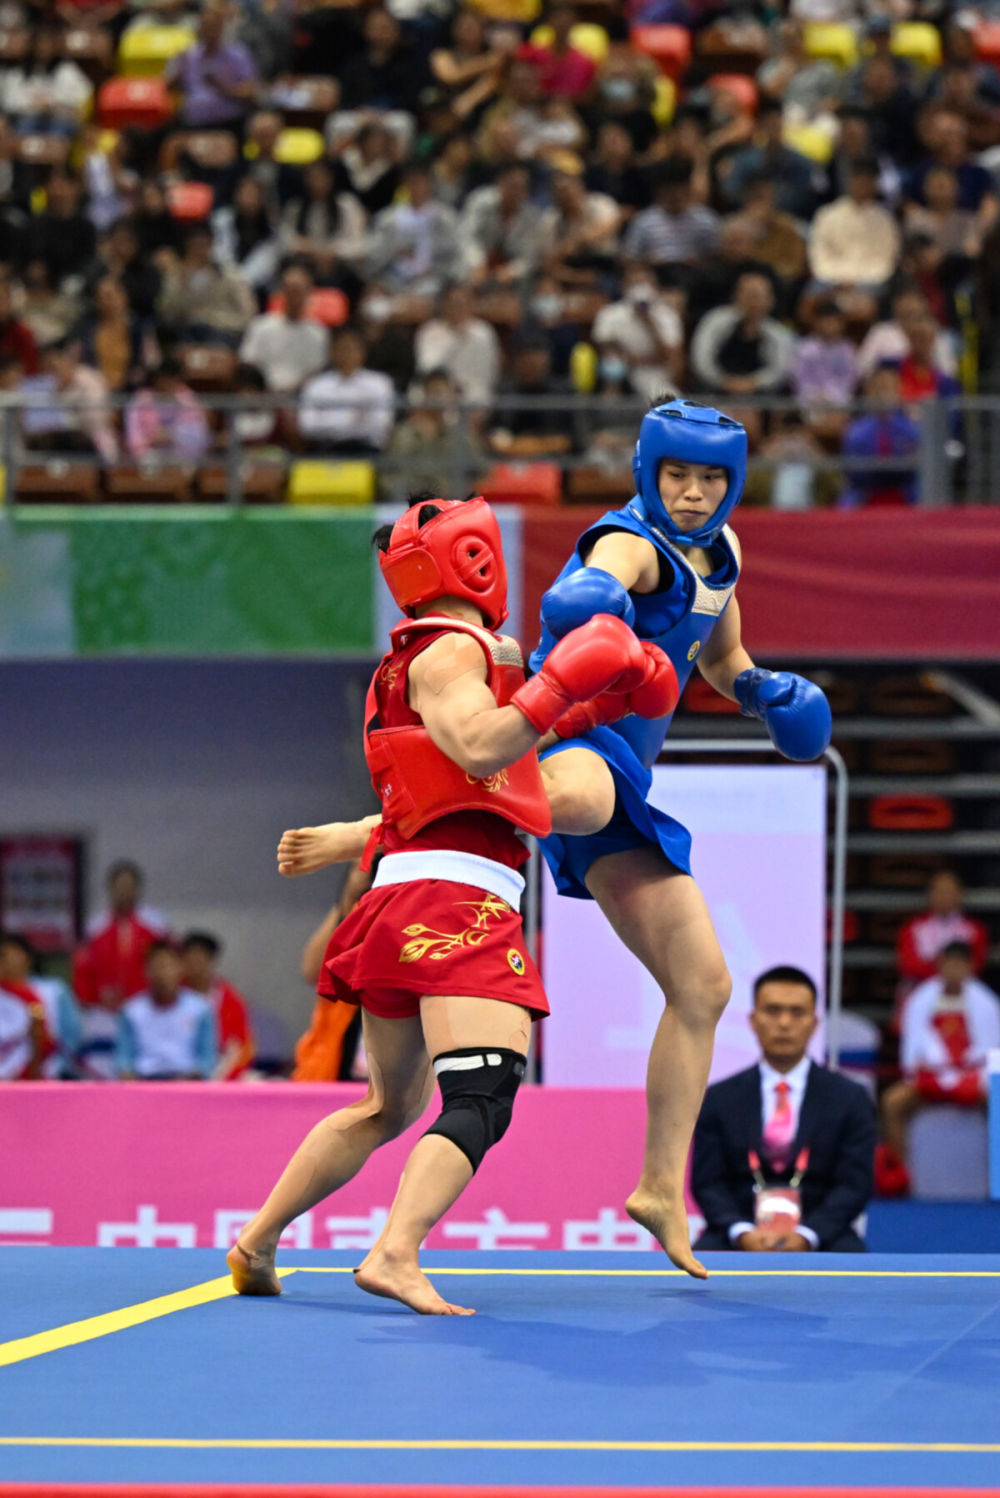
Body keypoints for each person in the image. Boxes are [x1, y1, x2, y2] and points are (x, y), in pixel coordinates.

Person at [286, 403, 833, 1279]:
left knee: (704, 986)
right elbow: (587, 592)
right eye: (678, 477)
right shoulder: (627, 542)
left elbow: (718, 657)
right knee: (578, 794)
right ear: (649, 474)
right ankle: (382, 828)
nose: (693, 494)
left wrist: (761, 692)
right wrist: (594, 604)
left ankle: (660, 1188)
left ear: (734, 484)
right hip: (568, 736)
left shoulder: (723, 556)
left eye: (711, 480)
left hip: (627, 779)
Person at [228, 493, 678, 1312]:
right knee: (481, 1093)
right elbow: (481, 744)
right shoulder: (453, 652)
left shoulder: (415, 662)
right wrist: (559, 681)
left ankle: (256, 1241)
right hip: (458, 900)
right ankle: (395, 1253)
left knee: (387, 1106)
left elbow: (466, 782)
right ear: (473, 558)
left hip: (403, 893)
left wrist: (602, 699)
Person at [691, 966, 876, 1252]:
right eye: (773, 1011)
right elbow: (707, 1182)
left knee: (854, 1260)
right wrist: (742, 1232)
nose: (784, 1023)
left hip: (823, 1234)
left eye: (797, 1012)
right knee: (698, 1261)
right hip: (739, 1232)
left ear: (814, 1023)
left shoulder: (849, 1098)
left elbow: (854, 1185)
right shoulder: (720, 1097)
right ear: (753, 1020)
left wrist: (807, 1235)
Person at [880, 942, 1000, 1189]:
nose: (954, 970)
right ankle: (903, 1176)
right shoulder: (919, 1000)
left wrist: (966, 1075)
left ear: (970, 967)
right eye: (949, 964)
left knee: (996, 1104)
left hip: (971, 1078)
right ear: (940, 966)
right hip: (930, 1078)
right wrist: (928, 1070)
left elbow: (991, 1050)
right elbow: (911, 1048)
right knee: (892, 1102)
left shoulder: (988, 1003)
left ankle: (995, 1175)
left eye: (959, 964)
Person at [116, 940, 217, 1080]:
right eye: (157, 966)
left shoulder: (200, 1009)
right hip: (143, 1081)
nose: (162, 973)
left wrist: (191, 1078)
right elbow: (123, 1060)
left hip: (187, 1081)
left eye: (168, 966)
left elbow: (207, 1059)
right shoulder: (131, 1011)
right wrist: (128, 1076)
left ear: (180, 968)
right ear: (146, 971)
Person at [0, 930, 81, 1079]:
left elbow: (72, 1035)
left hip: (46, 1071)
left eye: (9, 954)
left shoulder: (53, 990)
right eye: (2, 956)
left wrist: (58, 1063)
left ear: (27, 957)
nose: (6, 961)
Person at [239, 262, 329, 394]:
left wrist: (294, 390)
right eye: (289, 290)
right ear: (281, 291)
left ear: (309, 292)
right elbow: (249, 361)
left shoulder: (319, 333)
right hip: (263, 394)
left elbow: (317, 370)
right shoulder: (261, 325)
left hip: (302, 396)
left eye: (298, 291)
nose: (293, 296)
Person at [180, 931, 255, 1080]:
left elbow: (241, 1046)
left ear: (211, 960)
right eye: (190, 958)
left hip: (221, 1067)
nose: (195, 965)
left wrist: (223, 1078)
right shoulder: (174, 995)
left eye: (199, 958)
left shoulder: (232, 1000)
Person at [897, 869, 990, 985]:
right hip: (920, 986)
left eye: (949, 892)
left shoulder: (975, 930)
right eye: (940, 892)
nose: (944, 897)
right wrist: (947, 972)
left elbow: (977, 964)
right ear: (930, 895)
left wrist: (950, 973)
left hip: (961, 988)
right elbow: (909, 965)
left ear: (960, 895)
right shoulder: (912, 929)